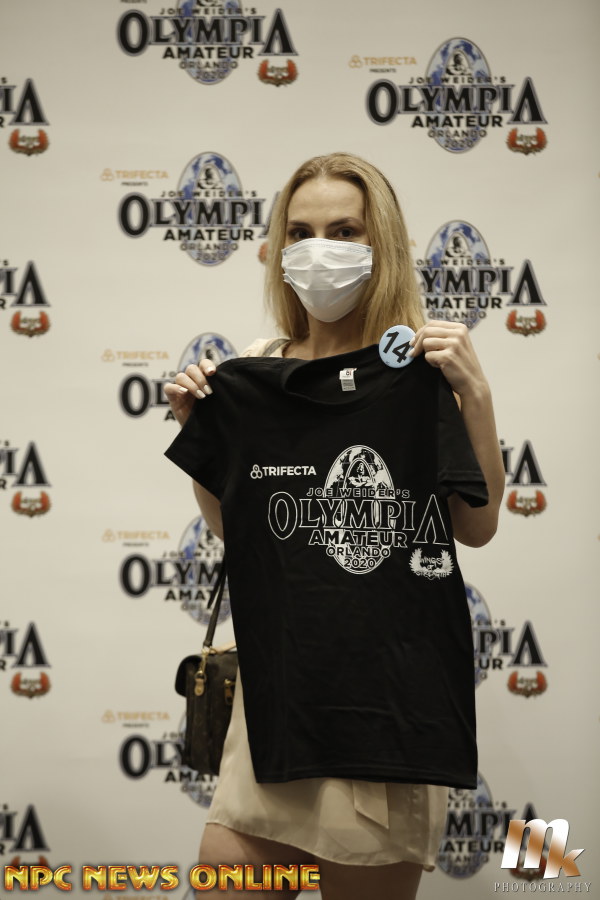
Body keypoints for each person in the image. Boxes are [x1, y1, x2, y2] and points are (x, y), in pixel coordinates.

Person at [164, 152, 505, 900]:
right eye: (301, 232)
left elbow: (476, 526)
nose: (320, 249)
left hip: (385, 713)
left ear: (381, 243)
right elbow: (237, 529)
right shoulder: (256, 367)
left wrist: (475, 396)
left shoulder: (421, 369)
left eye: (344, 230)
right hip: (275, 708)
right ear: (278, 247)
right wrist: (205, 437)